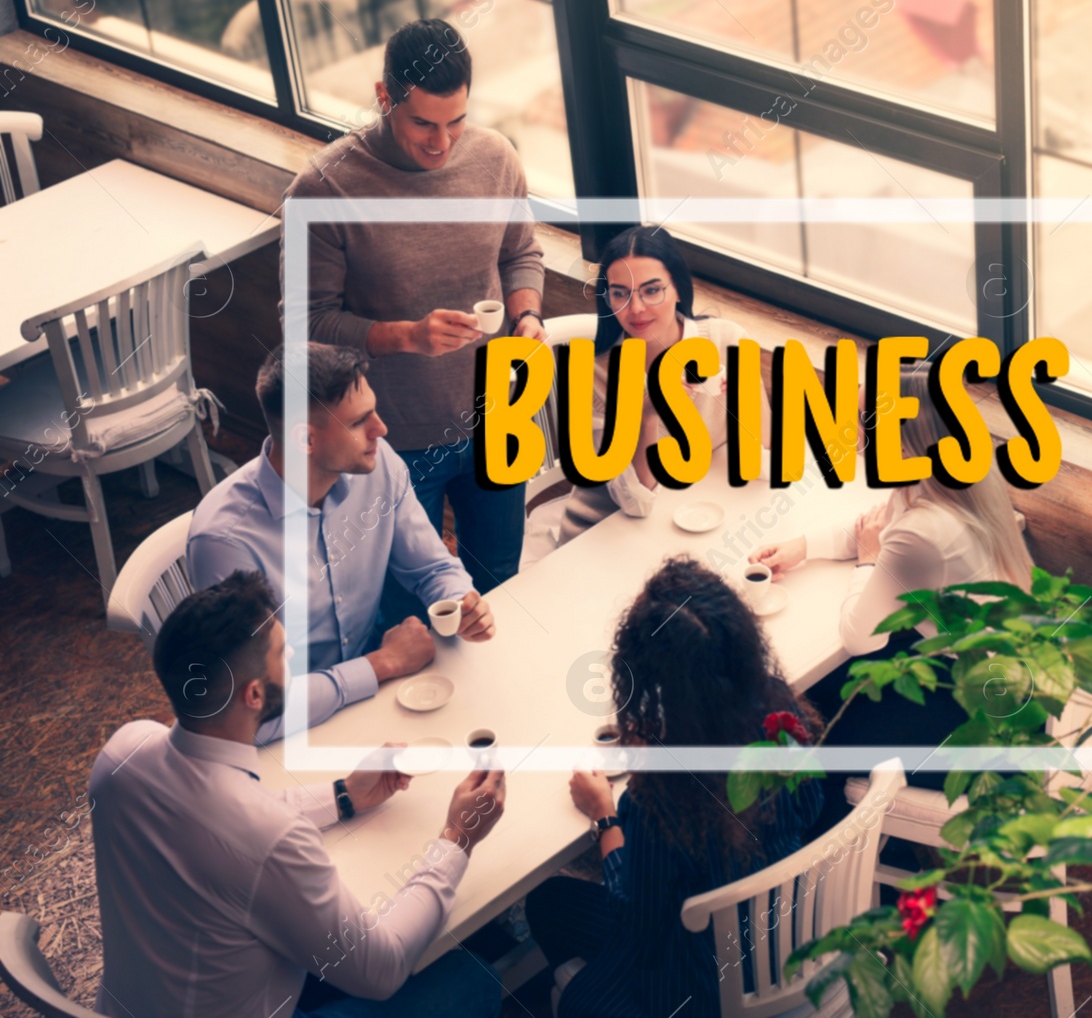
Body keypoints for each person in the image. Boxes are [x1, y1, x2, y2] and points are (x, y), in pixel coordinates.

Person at [90, 570, 507, 1017]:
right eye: (282, 653)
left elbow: (215, 818)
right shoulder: (272, 839)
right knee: (473, 979)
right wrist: (457, 838)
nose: (291, 657)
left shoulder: (122, 754)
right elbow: (381, 970)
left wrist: (344, 794)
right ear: (254, 695)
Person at [284, 17, 546, 598]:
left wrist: (526, 315)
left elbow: (521, 253)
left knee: (500, 583)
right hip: (391, 439)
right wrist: (407, 336)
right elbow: (305, 325)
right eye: (423, 123)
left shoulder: (496, 157)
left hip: (498, 417)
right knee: (407, 603)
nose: (441, 142)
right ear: (384, 97)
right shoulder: (325, 188)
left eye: (456, 121)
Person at [523, 557, 822, 1018]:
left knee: (569, 965)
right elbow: (812, 806)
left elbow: (635, 918)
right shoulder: (784, 715)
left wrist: (605, 816)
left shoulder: (660, 800)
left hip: (700, 986)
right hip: (788, 931)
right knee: (552, 904)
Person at [188, 344, 495, 744]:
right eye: (359, 421)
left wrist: (459, 603)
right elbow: (252, 715)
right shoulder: (226, 543)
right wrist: (380, 664)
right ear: (306, 440)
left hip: (373, 702)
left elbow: (432, 568)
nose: (381, 429)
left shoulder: (378, 461)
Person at [751, 365, 1033, 791]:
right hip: (986, 660)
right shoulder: (947, 475)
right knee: (818, 696)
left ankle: (832, 838)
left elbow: (860, 638)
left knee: (812, 725)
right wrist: (803, 547)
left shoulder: (927, 529)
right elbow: (878, 524)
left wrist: (868, 561)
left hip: (971, 708)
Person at [557, 225, 770, 542]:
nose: (637, 308)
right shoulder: (593, 376)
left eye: (652, 290)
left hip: (690, 514)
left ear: (679, 290)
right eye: (621, 293)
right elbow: (637, 503)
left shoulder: (728, 341)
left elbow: (765, 463)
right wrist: (647, 415)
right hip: (605, 532)